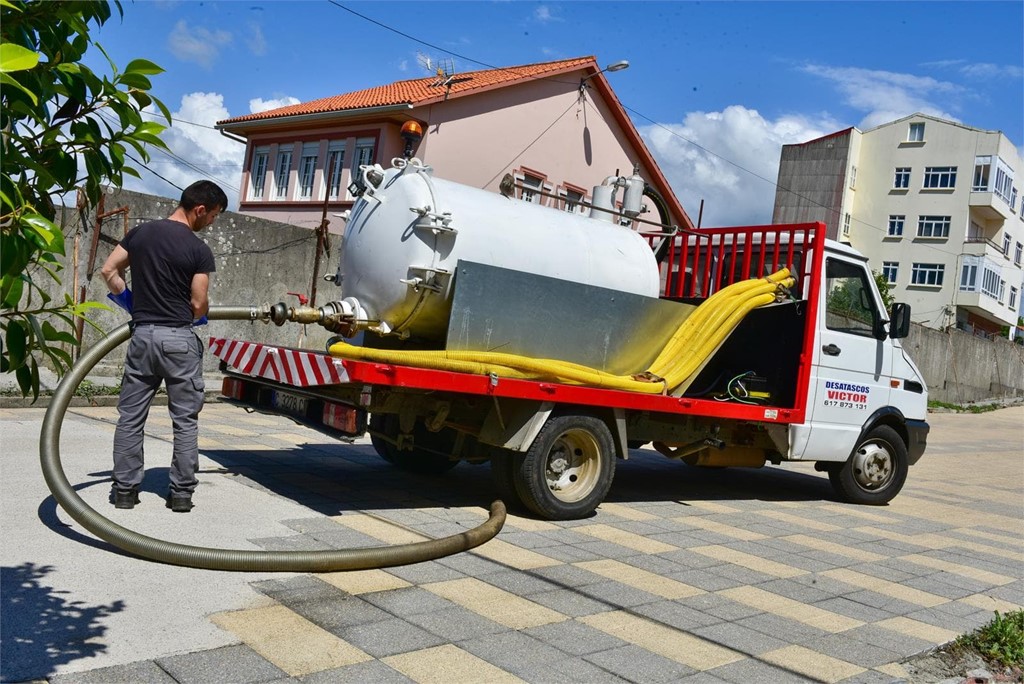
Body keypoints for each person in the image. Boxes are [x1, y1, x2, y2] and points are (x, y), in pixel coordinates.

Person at [100, 180, 227, 513]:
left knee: (130, 417)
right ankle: (181, 495)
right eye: (213, 216)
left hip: (142, 337)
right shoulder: (198, 250)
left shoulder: (141, 234)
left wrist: (129, 300)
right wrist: (191, 310)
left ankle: (125, 491)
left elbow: (108, 269)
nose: (211, 223)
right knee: (184, 420)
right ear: (200, 209)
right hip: (179, 340)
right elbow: (199, 304)